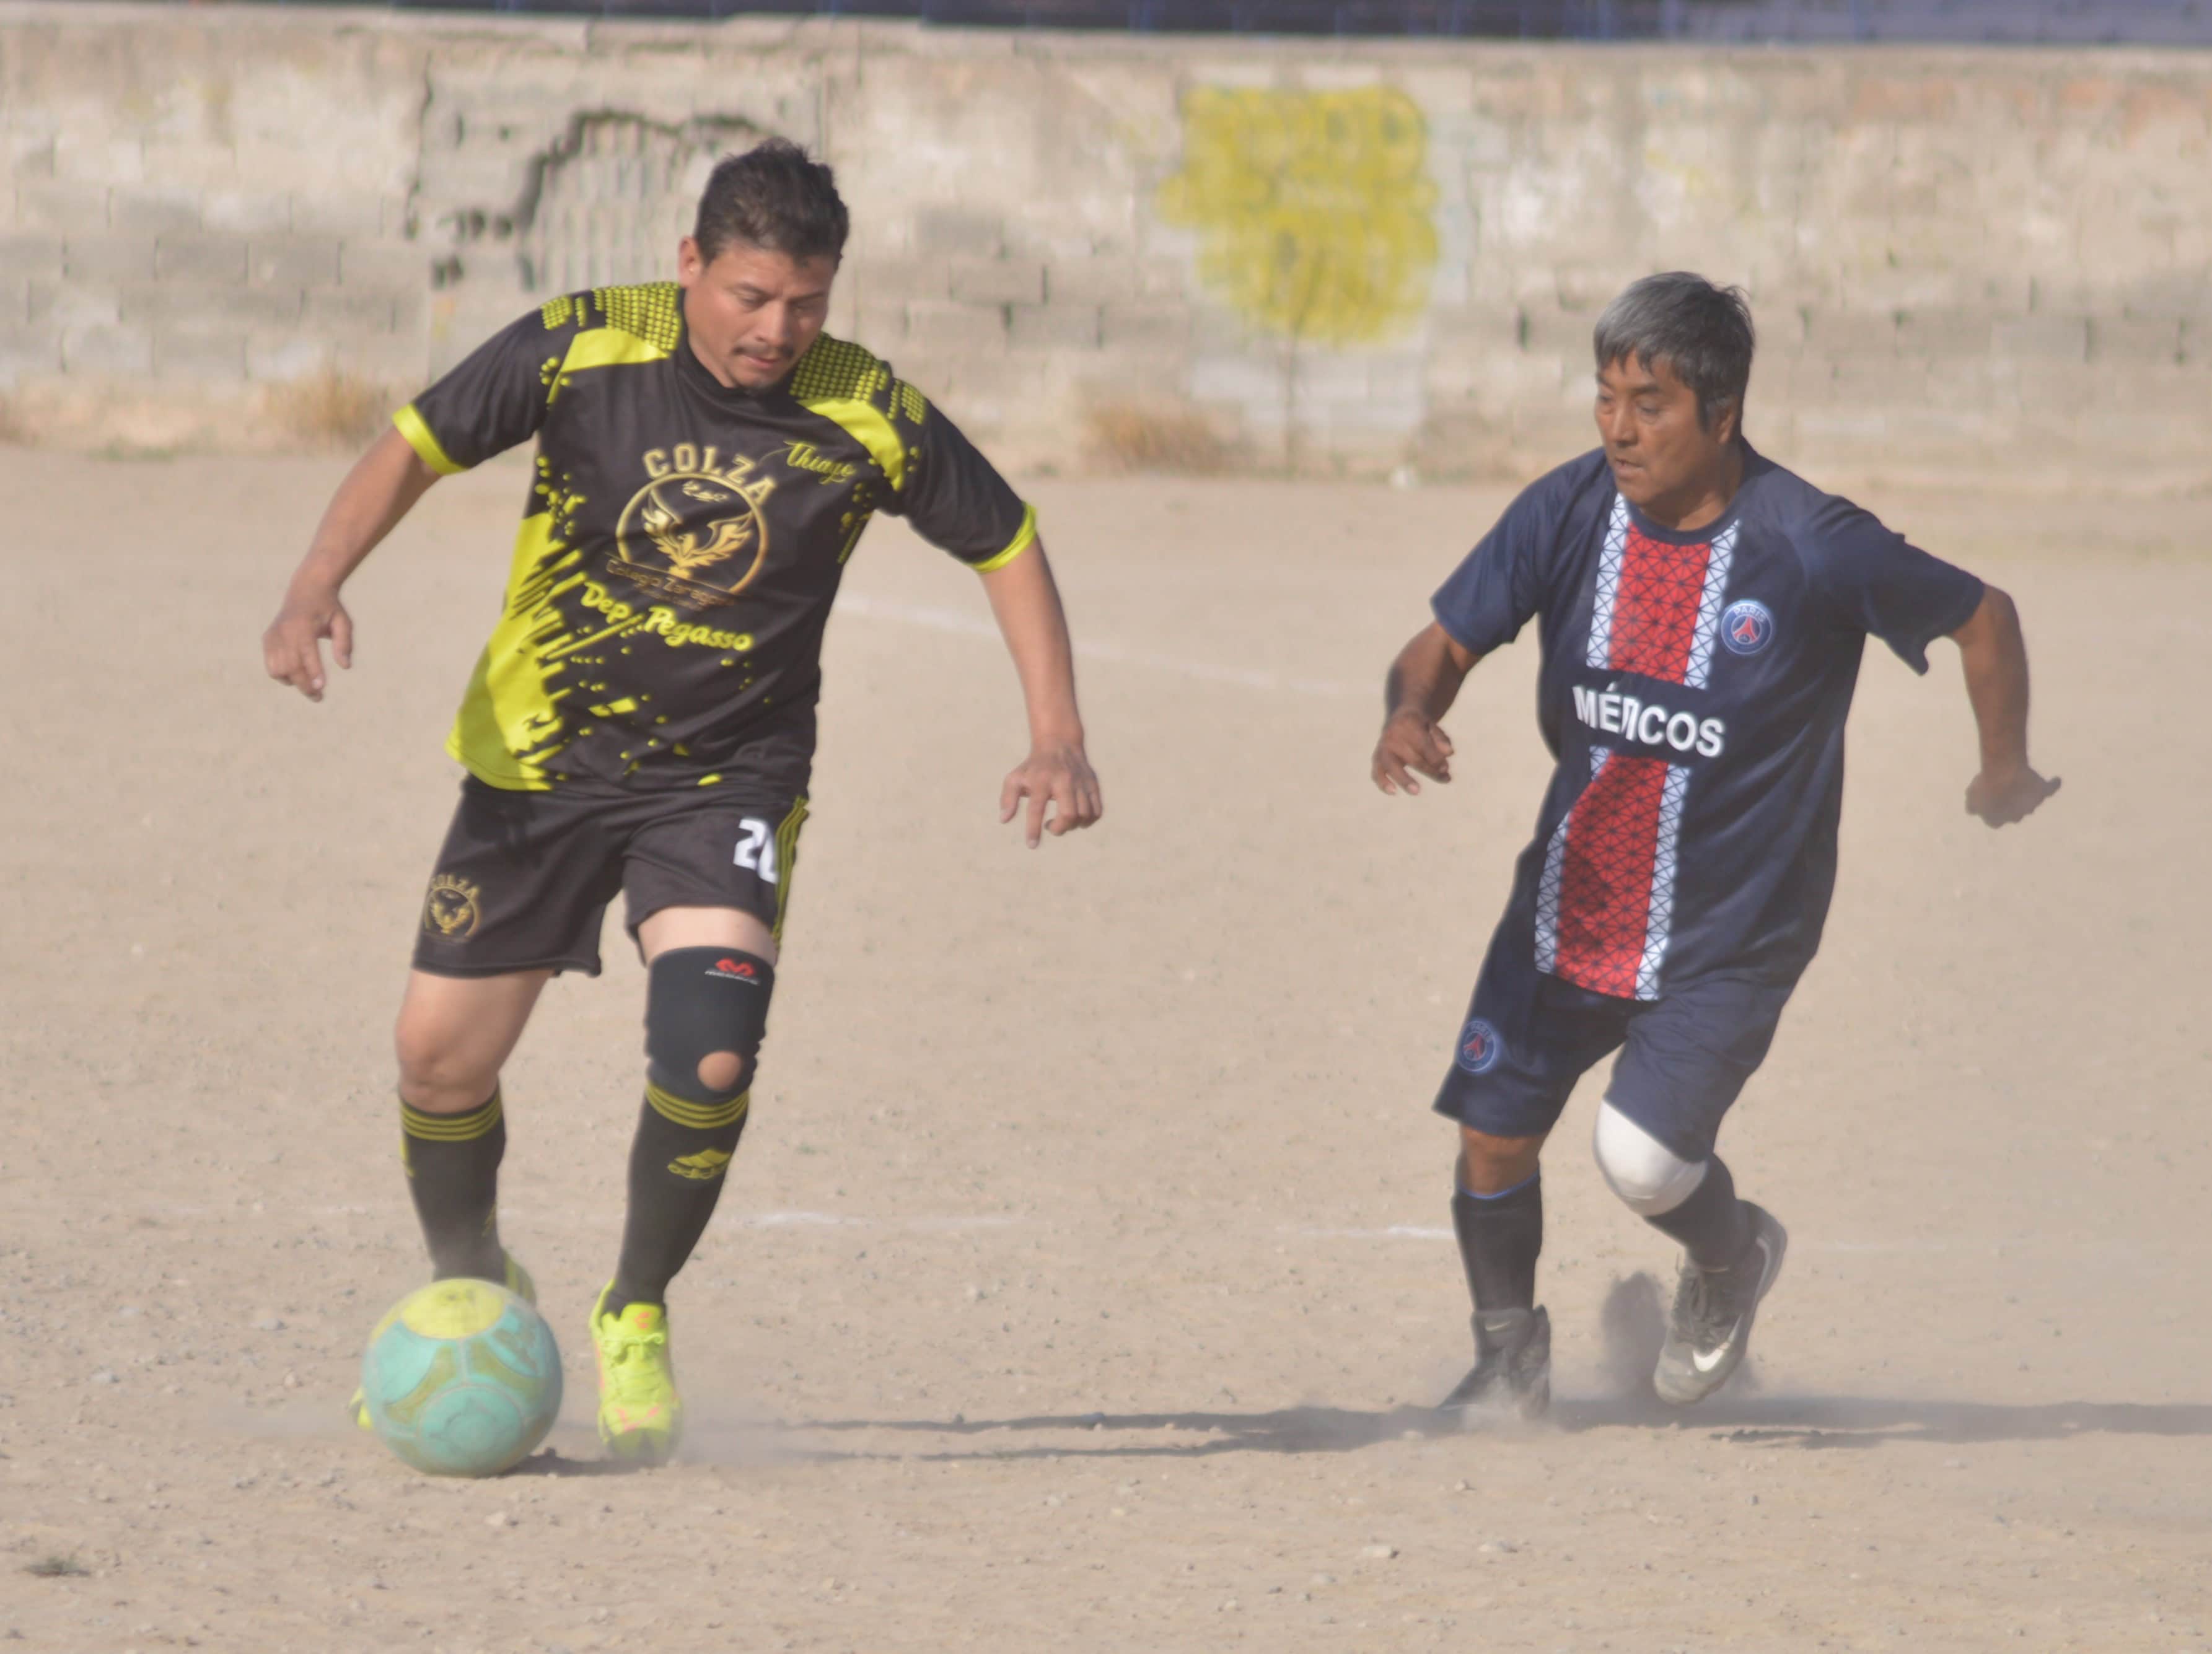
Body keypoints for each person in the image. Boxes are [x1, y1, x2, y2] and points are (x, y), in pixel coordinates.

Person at [262, 139, 1102, 1463]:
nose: (779, 330)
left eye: (809, 303)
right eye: (752, 297)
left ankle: (635, 1311)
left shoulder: (865, 407)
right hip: (539, 761)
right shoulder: (582, 345)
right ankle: (476, 1287)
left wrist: (1056, 732)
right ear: (691, 265)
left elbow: (1004, 538)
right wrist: (318, 579)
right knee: (436, 1059)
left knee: (712, 1046)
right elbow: (415, 446)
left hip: (729, 777)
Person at [1371, 272, 2056, 1417]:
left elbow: (1982, 612)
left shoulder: (1809, 543)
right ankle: (1507, 1360)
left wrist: (1999, 764)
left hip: (1732, 931)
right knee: (1491, 1131)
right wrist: (1408, 710)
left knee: (1639, 1162)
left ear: (1721, 414)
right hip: (1575, 902)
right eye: (1603, 398)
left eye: (1649, 403)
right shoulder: (1568, 509)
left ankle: (1729, 1256)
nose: (1618, 428)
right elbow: (1441, 640)